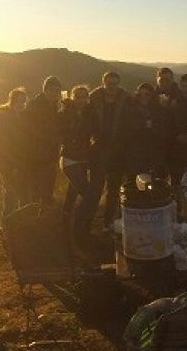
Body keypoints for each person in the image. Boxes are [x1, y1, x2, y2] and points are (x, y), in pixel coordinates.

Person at [83, 71, 131, 232]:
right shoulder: (93, 98)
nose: (112, 87)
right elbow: (83, 118)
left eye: (115, 84)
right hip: (99, 149)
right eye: (109, 84)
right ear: (103, 83)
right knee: (95, 188)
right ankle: (86, 222)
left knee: (114, 189)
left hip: (118, 151)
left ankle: (108, 223)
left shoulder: (126, 99)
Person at [0, 87, 28, 231]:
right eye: (19, 101)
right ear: (11, 101)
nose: (21, 104)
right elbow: (4, 147)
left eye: (24, 101)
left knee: (17, 196)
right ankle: (6, 228)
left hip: (18, 164)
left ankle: (13, 227)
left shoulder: (20, 118)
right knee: (11, 197)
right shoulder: (5, 121)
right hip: (8, 164)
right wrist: (10, 166)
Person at [23, 76, 63, 204]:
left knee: (48, 188)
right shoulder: (34, 105)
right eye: (51, 90)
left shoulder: (55, 106)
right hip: (36, 156)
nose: (54, 93)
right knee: (36, 190)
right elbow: (28, 131)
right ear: (45, 89)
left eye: (57, 90)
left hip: (51, 154)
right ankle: (34, 219)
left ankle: (44, 218)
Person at [59, 85, 93, 227]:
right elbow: (61, 134)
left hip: (83, 158)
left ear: (87, 98)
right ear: (73, 97)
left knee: (73, 190)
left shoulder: (88, 113)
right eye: (78, 96)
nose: (81, 100)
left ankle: (65, 218)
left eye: (84, 96)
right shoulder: (65, 111)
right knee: (86, 192)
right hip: (69, 158)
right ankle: (81, 223)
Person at [124, 82, 170, 178]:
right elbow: (126, 129)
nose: (143, 97)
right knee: (134, 184)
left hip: (153, 155)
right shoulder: (130, 109)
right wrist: (144, 125)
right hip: (134, 154)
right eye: (140, 94)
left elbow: (163, 131)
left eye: (147, 95)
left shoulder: (158, 110)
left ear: (152, 96)